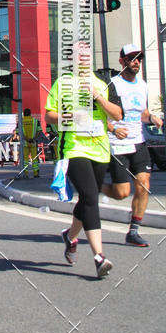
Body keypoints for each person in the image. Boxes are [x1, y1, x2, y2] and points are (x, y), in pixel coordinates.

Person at [45, 41, 123, 279]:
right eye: (78, 54)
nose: (83, 58)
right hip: (74, 148)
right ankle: (99, 257)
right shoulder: (63, 83)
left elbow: (118, 114)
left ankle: (69, 236)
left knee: (88, 199)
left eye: (87, 54)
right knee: (90, 197)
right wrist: (69, 116)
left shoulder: (103, 82)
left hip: (100, 149)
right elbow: (47, 115)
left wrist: (98, 97)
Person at [101, 44, 163, 247]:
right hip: (118, 144)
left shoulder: (142, 85)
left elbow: (141, 112)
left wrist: (152, 117)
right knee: (121, 193)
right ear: (122, 62)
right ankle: (93, 184)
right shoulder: (112, 84)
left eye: (139, 58)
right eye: (131, 58)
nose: (136, 62)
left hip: (139, 142)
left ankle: (133, 231)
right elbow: (100, 115)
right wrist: (112, 129)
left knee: (144, 184)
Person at [22, 108, 40, 177]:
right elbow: (39, 131)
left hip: (25, 143)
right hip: (33, 143)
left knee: (25, 159)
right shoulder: (35, 121)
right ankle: (35, 173)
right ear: (30, 113)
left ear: (24, 113)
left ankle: (25, 173)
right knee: (34, 159)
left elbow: (19, 132)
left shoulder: (21, 121)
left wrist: (27, 139)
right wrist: (33, 139)